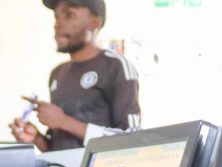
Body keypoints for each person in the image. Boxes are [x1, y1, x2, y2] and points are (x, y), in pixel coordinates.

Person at [9, 0, 141, 151]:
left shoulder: (116, 66)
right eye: (56, 17)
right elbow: (59, 149)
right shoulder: (57, 73)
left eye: (69, 15)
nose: (58, 24)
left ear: (95, 22)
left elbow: (132, 139)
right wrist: (37, 139)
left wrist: (63, 121)